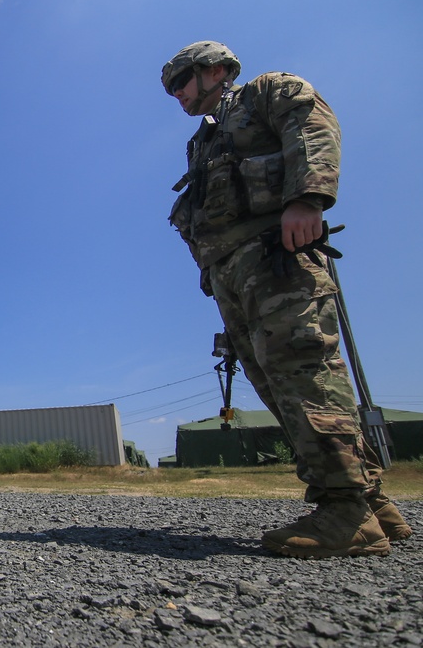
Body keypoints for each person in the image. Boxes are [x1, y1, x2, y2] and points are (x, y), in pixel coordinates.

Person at [161, 41, 411, 558]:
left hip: (278, 252)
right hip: (234, 273)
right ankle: (372, 502)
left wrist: (307, 199)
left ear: (214, 70)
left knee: (304, 373)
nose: (177, 94)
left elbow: (312, 126)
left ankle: (345, 511)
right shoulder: (202, 141)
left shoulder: (267, 92)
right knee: (276, 383)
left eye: (181, 81)